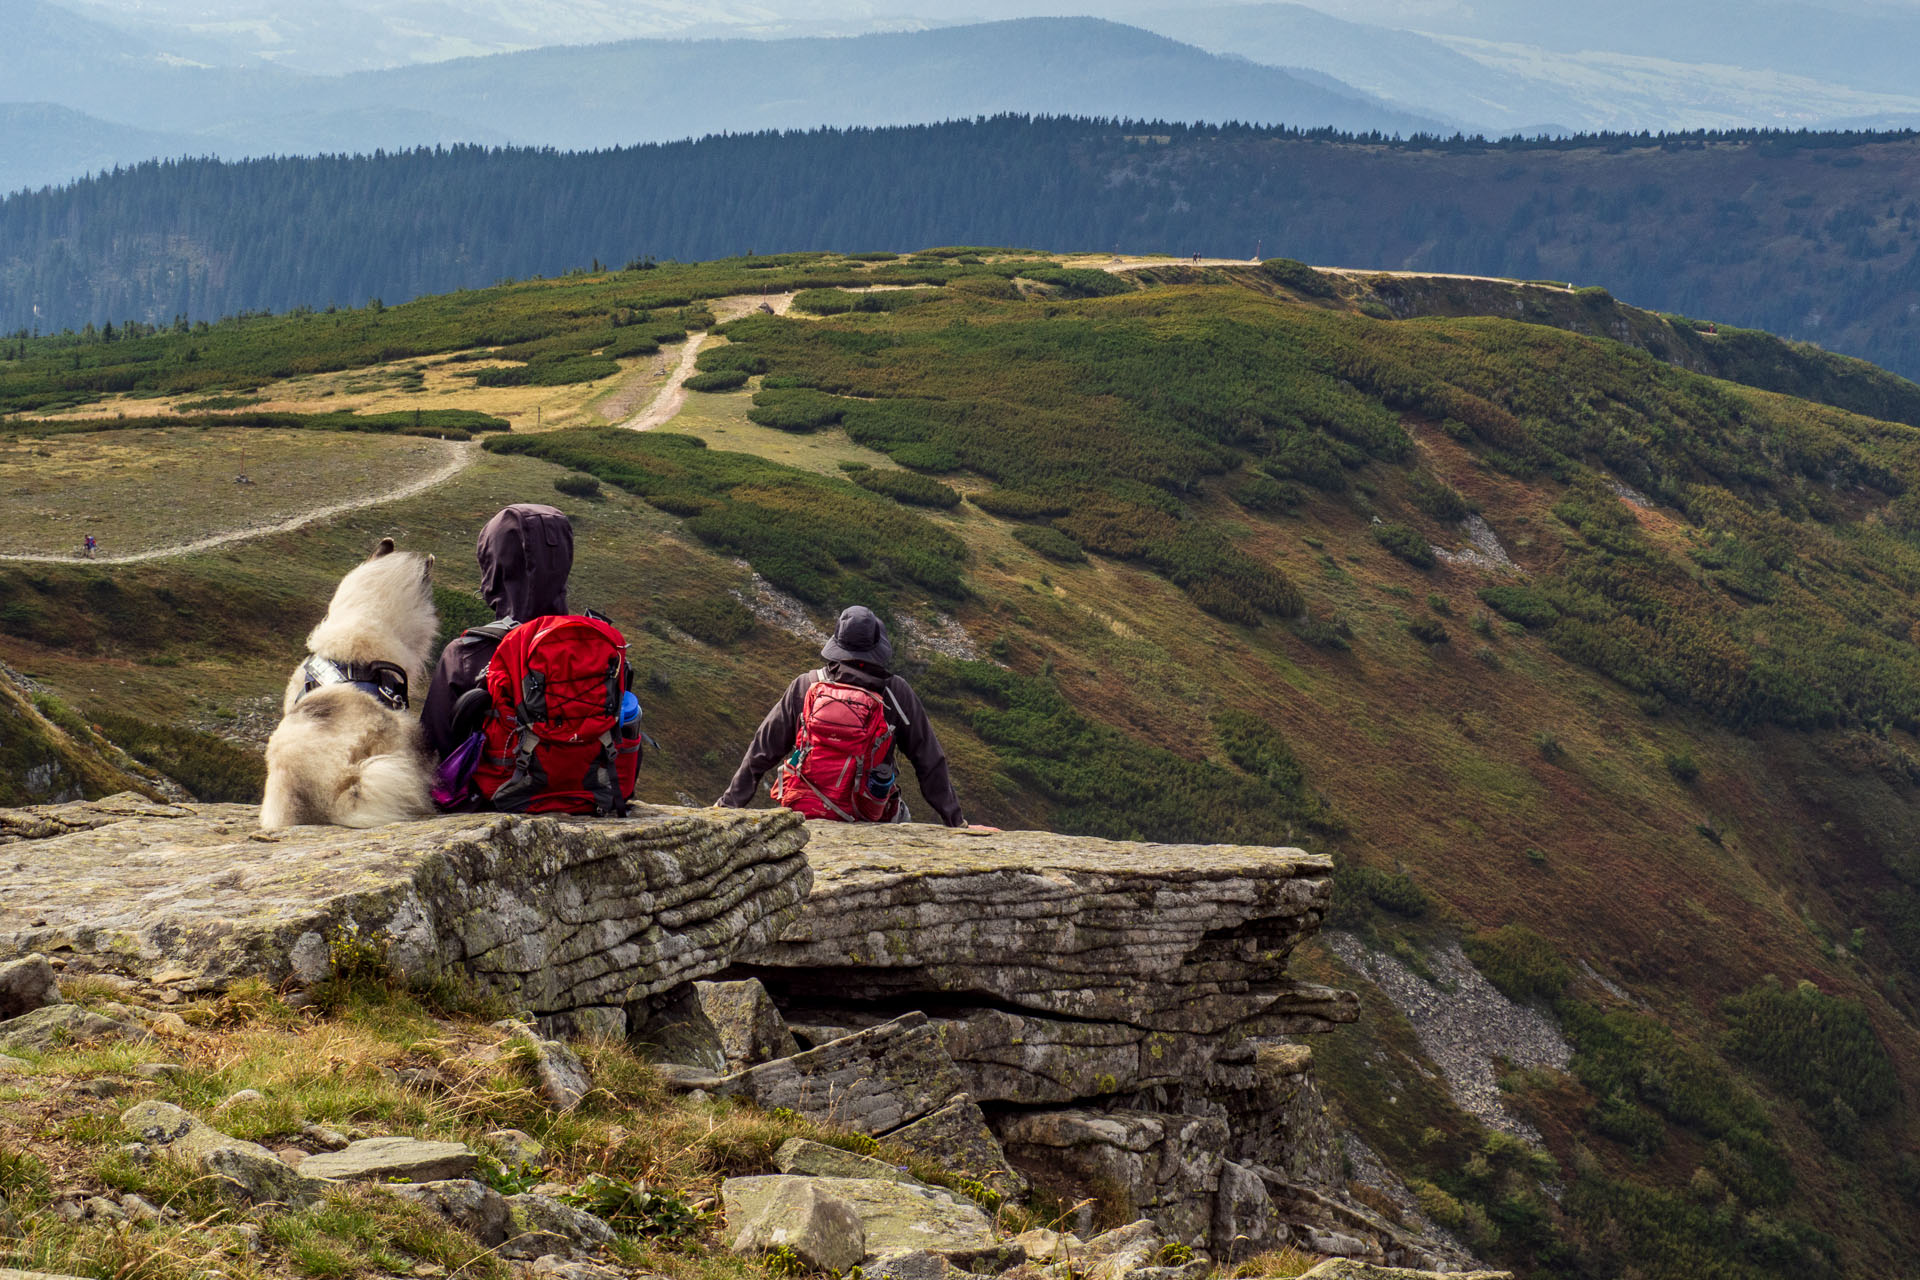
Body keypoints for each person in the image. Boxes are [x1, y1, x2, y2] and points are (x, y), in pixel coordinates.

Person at [717, 605, 967, 827]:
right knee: (900, 819)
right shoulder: (895, 692)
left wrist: (728, 806)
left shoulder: (806, 686)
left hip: (806, 813)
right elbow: (929, 760)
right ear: (877, 647)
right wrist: (956, 821)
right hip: (872, 816)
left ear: (837, 645)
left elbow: (762, 750)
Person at [420, 503, 573, 760]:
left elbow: (429, 752)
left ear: (495, 567)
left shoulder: (465, 656)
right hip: (587, 795)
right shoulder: (602, 649)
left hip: (497, 798)